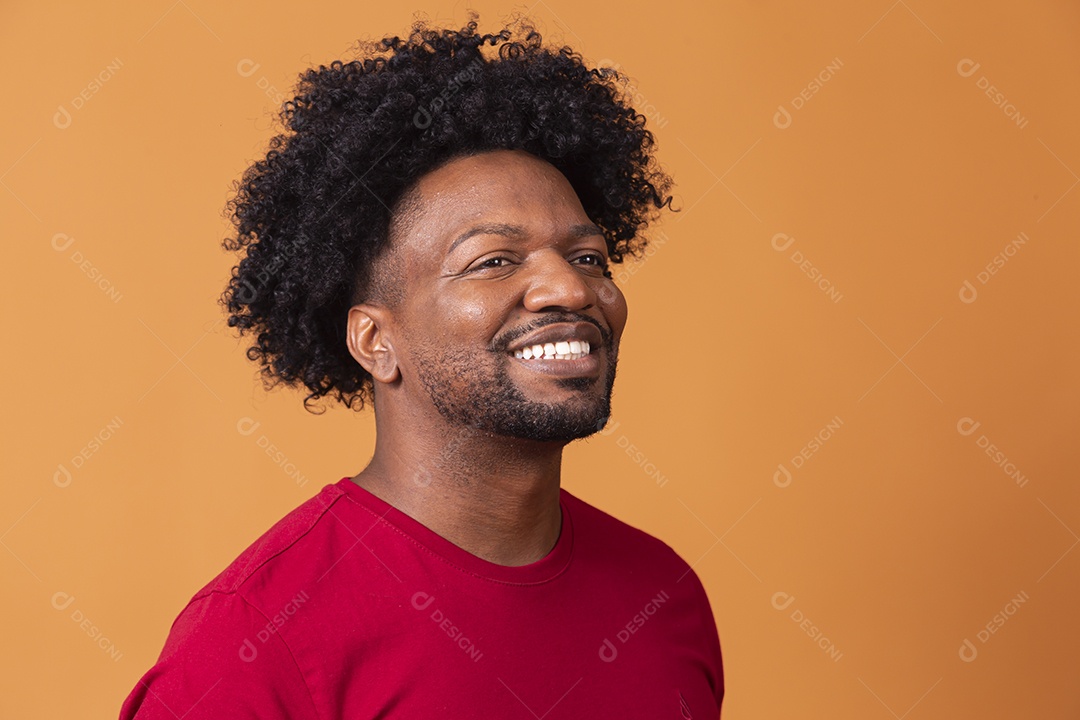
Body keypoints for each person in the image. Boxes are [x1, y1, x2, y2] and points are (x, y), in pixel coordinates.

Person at [119, 14, 723, 719]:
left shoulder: (662, 597)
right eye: (492, 261)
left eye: (589, 258)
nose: (570, 289)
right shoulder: (253, 638)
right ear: (376, 341)